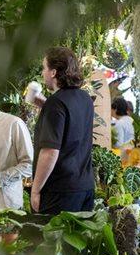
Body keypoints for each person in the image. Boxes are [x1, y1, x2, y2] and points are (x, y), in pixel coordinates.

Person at [31, 47, 95, 214]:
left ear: (53, 72)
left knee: (52, 240)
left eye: (44, 68)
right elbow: (71, 126)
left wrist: (35, 189)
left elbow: (50, 152)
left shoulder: (56, 103)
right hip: (85, 187)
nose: (43, 73)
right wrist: (46, 106)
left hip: (60, 191)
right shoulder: (85, 98)